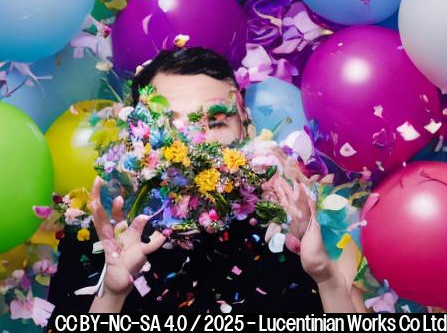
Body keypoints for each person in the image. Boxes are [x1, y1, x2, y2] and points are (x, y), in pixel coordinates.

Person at [47, 47, 362, 319]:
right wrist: (111, 295)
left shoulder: (311, 229)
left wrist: (325, 277)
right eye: (170, 124)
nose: (196, 142)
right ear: (137, 139)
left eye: (215, 121)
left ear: (247, 126)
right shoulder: (95, 243)